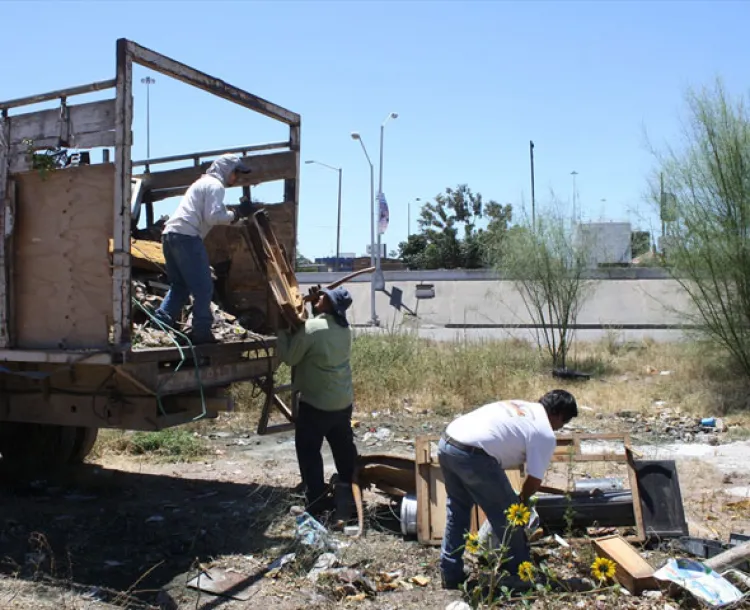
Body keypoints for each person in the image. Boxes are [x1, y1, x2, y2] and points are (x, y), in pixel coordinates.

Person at [438, 389, 578, 589]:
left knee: (458, 509)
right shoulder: (544, 432)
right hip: (474, 455)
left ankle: (450, 574)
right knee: (510, 517)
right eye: (563, 423)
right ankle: (519, 575)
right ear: (557, 415)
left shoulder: (522, 407)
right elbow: (534, 480)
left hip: (448, 442)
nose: (559, 428)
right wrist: (521, 502)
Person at [154, 153, 253, 344]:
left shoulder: (201, 183)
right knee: (204, 288)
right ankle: (201, 334)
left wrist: (236, 218)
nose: (236, 178)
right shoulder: (216, 186)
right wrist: (237, 213)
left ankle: (160, 327)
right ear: (227, 170)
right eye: (236, 173)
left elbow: (210, 215)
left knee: (179, 286)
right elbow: (213, 216)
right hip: (187, 237)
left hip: (170, 235)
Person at [277, 287, 357, 521]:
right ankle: (350, 495)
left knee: (309, 451)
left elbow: (291, 357)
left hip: (317, 403)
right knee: (343, 449)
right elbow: (321, 330)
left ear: (330, 306)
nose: (319, 298)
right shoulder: (345, 329)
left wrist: (281, 332)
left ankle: (316, 501)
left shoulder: (311, 328)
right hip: (342, 401)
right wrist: (315, 306)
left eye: (324, 297)